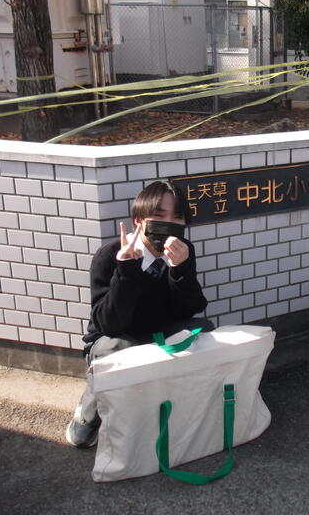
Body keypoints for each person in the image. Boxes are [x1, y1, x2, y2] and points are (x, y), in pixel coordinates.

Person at [65, 180, 212, 448]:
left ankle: (185, 408)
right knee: (121, 348)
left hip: (159, 330)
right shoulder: (110, 256)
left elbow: (191, 308)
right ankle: (88, 413)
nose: (168, 224)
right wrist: (127, 271)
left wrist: (179, 270)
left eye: (177, 217)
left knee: (204, 331)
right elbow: (109, 323)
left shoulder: (182, 251)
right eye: (158, 215)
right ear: (138, 220)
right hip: (114, 338)